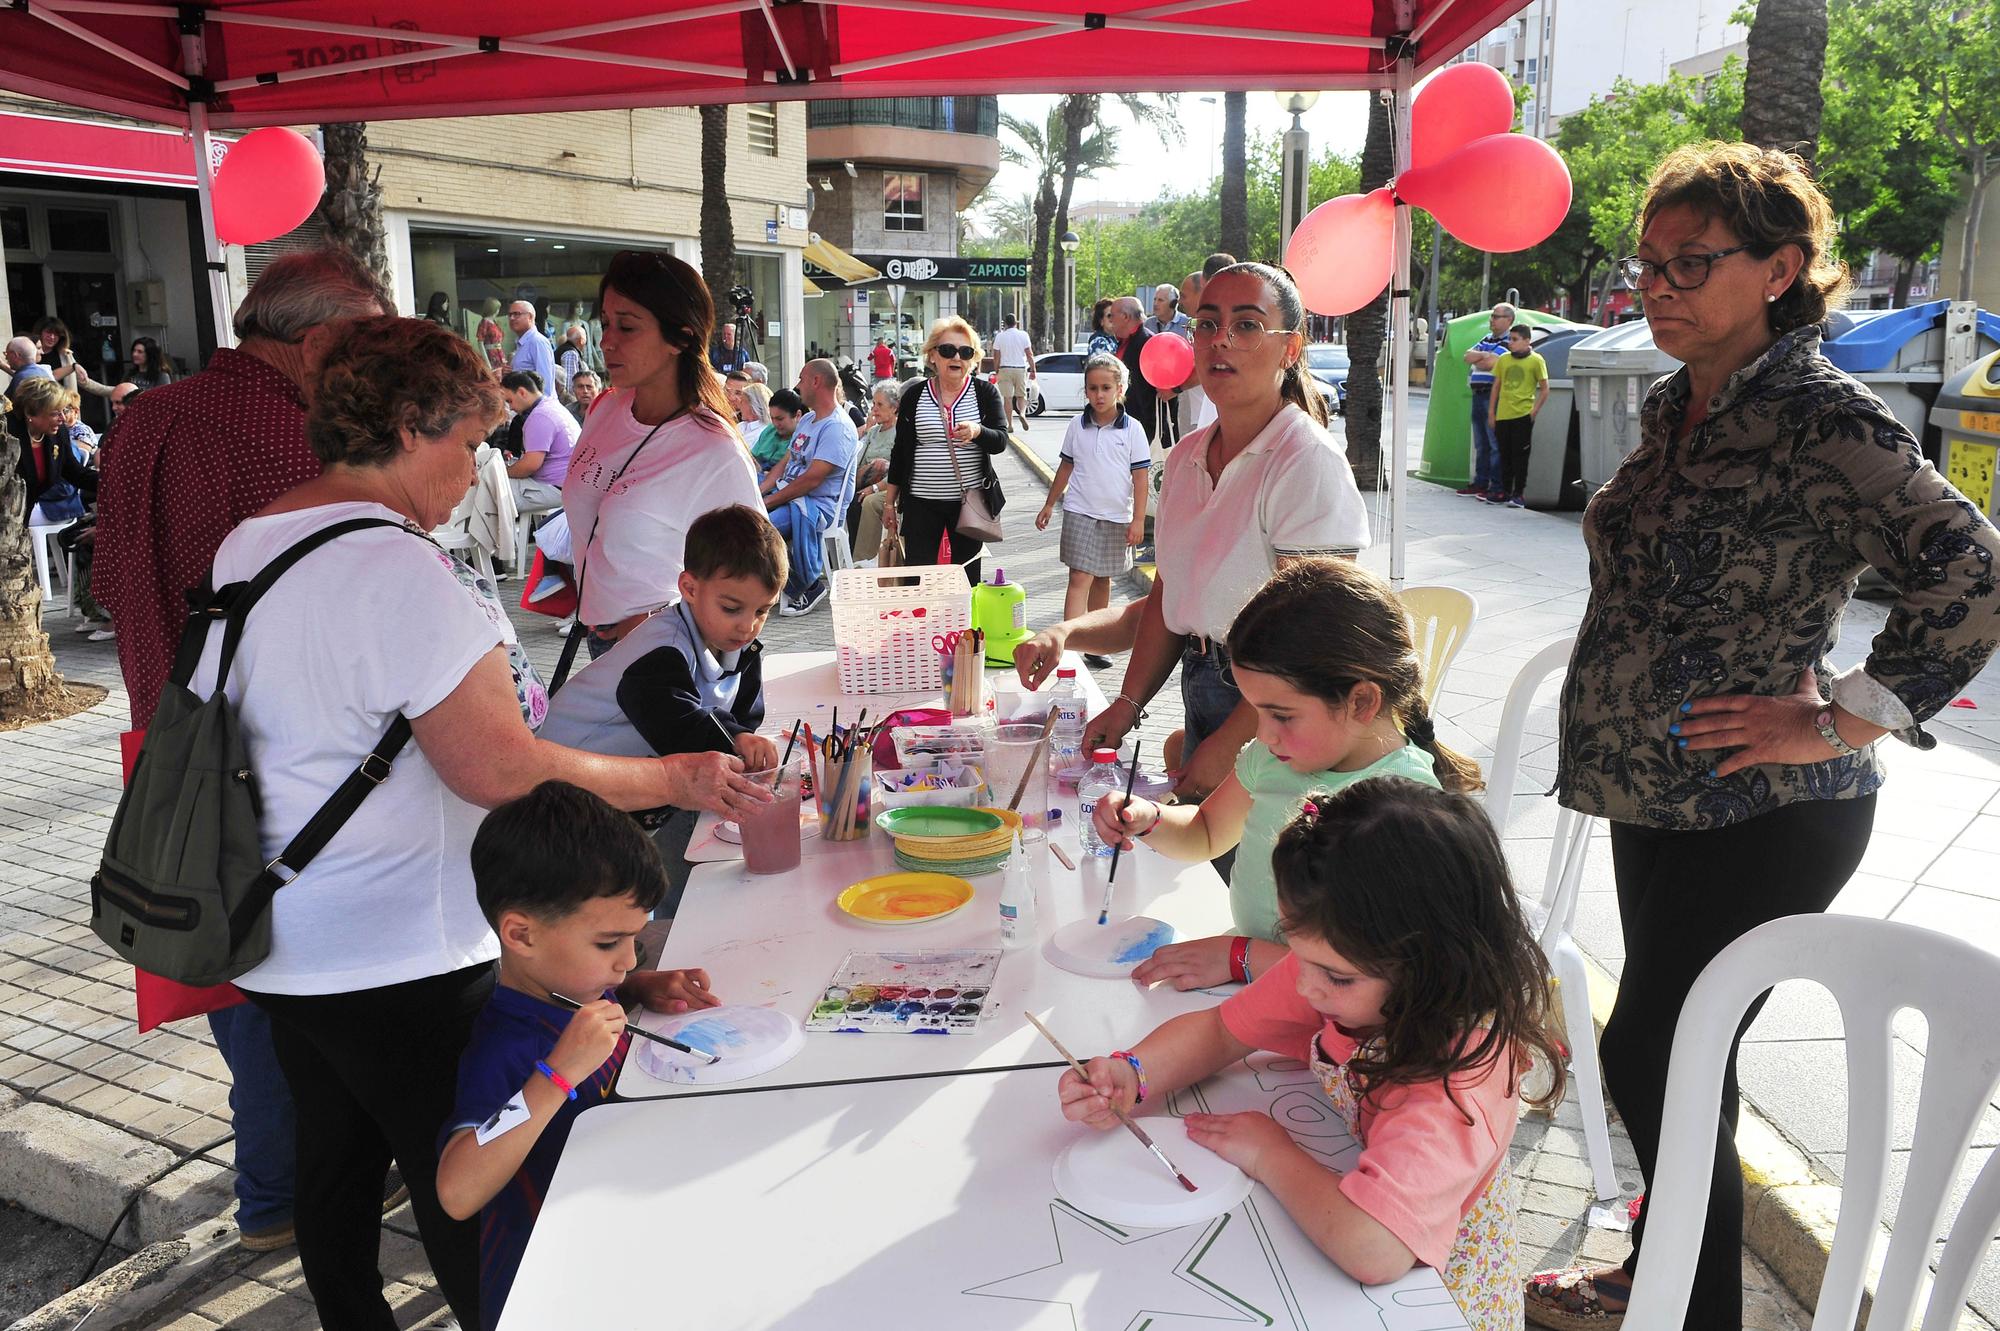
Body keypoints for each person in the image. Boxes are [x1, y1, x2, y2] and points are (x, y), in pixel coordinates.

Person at [193, 316, 770, 1329]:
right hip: (396, 950)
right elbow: (500, 764)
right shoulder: (395, 567)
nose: (479, 471)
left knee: (331, 1175)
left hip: (281, 936)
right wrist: (669, 775)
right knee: (464, 1188)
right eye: (468, 443)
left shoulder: (249, 540)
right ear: (409, 427)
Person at [1528, 142, 2000, 1331]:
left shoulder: (1815, 417)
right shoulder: (1677, 403)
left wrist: (1841, 711)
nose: (1660, 286)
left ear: (1782, 268)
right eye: (1648, 264)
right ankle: (1661, 1274)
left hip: (1761, 807)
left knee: (1652, 1049)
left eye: (1694, 262)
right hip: (1659, 796)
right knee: (1682, 1061)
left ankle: (1689, 1312)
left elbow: (1971, 566)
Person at [92, 249, 395, 1258]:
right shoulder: (280, 426)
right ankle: (303, 1190)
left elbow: (108, 579)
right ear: (314, 345)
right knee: (294, 980)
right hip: (273, 750)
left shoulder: (145, 413)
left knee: (224, 961)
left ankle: (269, 1188)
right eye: (362, 347)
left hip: (165, 735)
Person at [1060, 777, 1565, 1331]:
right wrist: (1130, 1073)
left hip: (1440, 1301)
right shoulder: (1344, 976)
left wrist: (1270, 1153)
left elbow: (1376, 1249)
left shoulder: (1458, 1079)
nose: (1304, 989)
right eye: (1299, 957)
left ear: (1431, 967)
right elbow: (1221, 1032)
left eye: (1335, 977)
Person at [1093, 557, 1481, 989]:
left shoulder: (1404, 808)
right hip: (1250, 974)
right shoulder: (1274, 756)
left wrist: (1240, 957)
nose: (1263, 733)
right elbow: (1205, 831)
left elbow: (1374, 978)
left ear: (1361, 702)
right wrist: (1149, 820)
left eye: (1281, 715)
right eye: (1257, 711)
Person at [1083, 263, 1370, 815]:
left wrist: (1234, 741)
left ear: (1291, 348)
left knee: (1251, 879)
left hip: (1280, 708)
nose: (1221, 341)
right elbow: (1170, 592)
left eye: (1247, 326)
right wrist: (1126, 703)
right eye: (1208, 324)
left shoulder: (1305, 460)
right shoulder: (1189, 454)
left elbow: (1309, 638)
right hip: (1205, 684)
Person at [438, 781, 722, 1330]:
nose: (625, 959)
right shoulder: (506, 1045)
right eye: (607, 943)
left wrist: (639, 987)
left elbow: (613, 982)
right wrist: (555, 1074)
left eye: (634, 940)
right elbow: (456, 1191)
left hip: (623, 1239)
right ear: (520, 934)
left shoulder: (576, 986)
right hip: (553, 1280)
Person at [536, 506, 783, 896]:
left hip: (618, 792)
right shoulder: (663, 648)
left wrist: (743, 737)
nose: (747, 625)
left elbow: (739, 713)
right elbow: (676, 723)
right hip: (559, 792)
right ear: (689, 588)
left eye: (762, 611)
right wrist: (735, 740)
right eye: (732, 608)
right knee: (595, 897)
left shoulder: (734, 644)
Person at [559, 250, 762, 662]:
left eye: (628, 327)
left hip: (667, 648)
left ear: (681, 338)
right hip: (599, 638)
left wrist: (666, 620)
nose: (607, 341)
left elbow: (757, 573)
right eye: (606, 323)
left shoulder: (712, 447)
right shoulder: (604, 409)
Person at [882, 316, 1009, 585]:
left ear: (974, 359)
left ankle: (963, 628)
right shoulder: (915, 396)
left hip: (968, 502)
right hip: (920, 502)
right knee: (917, 577)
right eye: (947, 350)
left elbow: (1000, 441)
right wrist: (889, 503)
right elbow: (900, 451)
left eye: (965, 352)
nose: (956, 358)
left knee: (966, 578)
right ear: (932, 356)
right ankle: (921, 627)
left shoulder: (985, 394)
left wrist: (977, 431)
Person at [1035, 352, 1149, 623]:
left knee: (1101, 577)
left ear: (1119, 390)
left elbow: (1141, 478)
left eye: (1106, 388)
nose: (1099, 395)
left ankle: (1095, 639)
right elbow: (1066, 467)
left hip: (1115, 515)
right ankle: (1070, 642)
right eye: (1093, 388)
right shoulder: (1077, 425)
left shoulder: (1133, 430)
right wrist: (1050, 503)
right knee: (1079, 575)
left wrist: (1139, 519)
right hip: (1079, 511)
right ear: (1085, 390)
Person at [761, 358, 858, 616]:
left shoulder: (837, 427)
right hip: (790, 495)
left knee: (758, 529)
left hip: (816, 505)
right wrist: (760, 492)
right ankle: (766, 588)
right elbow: (785, 462)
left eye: (802, 379)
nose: (797, 385)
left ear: (816, 382)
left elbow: (812, 479)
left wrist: (769, 502)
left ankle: (807, 585)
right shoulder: (808, 420)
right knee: (739, 513)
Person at [10, 374, 97, 523]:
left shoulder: (57, 434)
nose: (63, 418)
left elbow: (76, 473)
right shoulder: (6, 433)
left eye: (64, 411)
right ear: (30, 413)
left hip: (22, 517)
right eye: (56, 413)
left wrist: (114, 481)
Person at [499, 371, 580, 514]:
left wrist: (501, 472)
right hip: (568, 485)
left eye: (509, 401)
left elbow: (530, 466)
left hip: (556, 488)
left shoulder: (540, 416)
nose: (510, 407)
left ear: (522, 392)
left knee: (490, 489)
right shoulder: (552, 406)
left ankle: (495, 536)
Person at [1486, 324, 1547, 509]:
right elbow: (1496, 386)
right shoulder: (1504, 360)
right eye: (1510, 339)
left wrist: (1534, 411)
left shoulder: (1536, 360)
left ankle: (1518, 493)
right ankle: (1503, 491)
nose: (1510, 343)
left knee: (1520, 456)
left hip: (1522, 415)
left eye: (1515, 339)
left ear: (1527, 340)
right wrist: (1492, 412)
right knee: (1504, 454)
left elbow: (1545, 388)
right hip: (1503, 414)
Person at [1456, 302, 1513, 499]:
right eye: (1492, 316)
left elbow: (1491, 364)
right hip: (1477, 393)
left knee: (1494, 442)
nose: (1492, 320)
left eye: (1496, 317)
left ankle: (1496, 487)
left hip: (1492, 395)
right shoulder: (1487, 339)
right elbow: (1467, 356)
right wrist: (1483, 355)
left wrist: (1482, 358)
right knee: (1481, 443)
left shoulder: (1509, 342)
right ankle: (1480, 482)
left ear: (1509, 320)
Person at [849, 379, 900, 561]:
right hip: (866, 481)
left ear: (894, 408)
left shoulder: (900, 432)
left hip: (889, 486)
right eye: (873, 404)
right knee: (850, 501)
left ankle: (862, 560)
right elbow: (857, 463)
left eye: (879, 405)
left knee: (865, 502)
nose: (874, 409)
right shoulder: (873, 432)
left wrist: (875, 487)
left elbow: (898, 469)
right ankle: (851, 557)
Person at [1104, 297, 1159, 443]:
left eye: (1112, 315)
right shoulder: (1126, 342)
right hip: (1125, 425)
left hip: (1142, 430)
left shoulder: (1147, 343)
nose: (1110, 321)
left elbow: (1149, 395)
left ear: (1125, 317)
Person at [79, 335, 174, 401]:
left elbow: (162, 400)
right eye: (134, 351)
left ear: (150, 354)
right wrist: (84, 381)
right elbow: (116, 392)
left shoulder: (162, 376)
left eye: (140, 352)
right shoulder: (130, 373)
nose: (135, 354)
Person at [991, 312, 1035, 432]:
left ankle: (1010, 424)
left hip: (1005, 368)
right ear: (1016, 323)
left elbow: (996, 355)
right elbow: (1029, 354)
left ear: (1005, 324)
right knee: (1021, 396)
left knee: (1008, 398)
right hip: (1020, 368)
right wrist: (1033, 369)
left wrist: (996, 370)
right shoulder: (1023, 335)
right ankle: (1022, 414)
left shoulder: (1000, 336)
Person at [507, 301, 558, 399]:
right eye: (510, 315)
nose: (512, 318)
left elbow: (545, 383)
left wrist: (540, 410)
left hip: (538, 408)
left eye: (516, 314)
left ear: (530, 317)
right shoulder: (522, 342)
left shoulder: (537, 342)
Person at [754, 387, 802, 469]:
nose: (775, 423)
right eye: (772, 418)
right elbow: (753, 457)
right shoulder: (769, 430)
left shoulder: (803, 439)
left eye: (780, 419)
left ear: (797, 415)